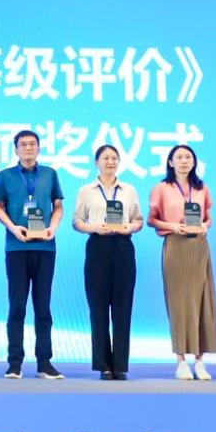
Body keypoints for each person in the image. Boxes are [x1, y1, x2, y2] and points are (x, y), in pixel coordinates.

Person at [0, 129, 65, 379]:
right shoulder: (5, 176)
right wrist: (14, 228)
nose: (28, 148)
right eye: (23, 144)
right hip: (17, 247)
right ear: (16, 150)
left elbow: (58, 206)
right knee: (17, 307)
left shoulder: (50, 174)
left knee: (43, 307)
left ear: (39, 148)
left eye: (32, 144)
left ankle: (44, 363)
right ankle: (14, 363)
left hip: (45, 248)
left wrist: (52, 228)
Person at [148, 144, 216, 381]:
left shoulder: (202, 188)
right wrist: (173, 226)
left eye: (188, 157)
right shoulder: (161, 188)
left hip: (199, 246)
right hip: (175, 245)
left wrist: (204, 226)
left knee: (202, 302)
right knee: (179, 304)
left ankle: (200, 361)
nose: (184, 161)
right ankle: (180, 360)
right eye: (179, 157)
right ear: (170, 162)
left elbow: (208, 218)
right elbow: (152, 220)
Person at [72, 144, 142, 380]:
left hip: (123, 247)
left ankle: (120, 365)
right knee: (98, 307)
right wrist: (95, 227)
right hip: (97, 247)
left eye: (114, 158)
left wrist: (127, 227)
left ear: (119, 162)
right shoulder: (86, 190)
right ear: (96, 162)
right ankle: (103, 365)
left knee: (123, 307)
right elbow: (77, 222)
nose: (110, 162)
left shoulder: (129, 190)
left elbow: (138, 221)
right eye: (105, 158)